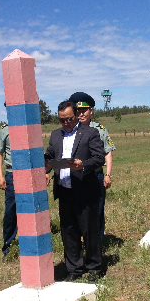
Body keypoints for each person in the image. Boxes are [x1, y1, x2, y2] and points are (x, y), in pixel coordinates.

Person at [44, 99, 105, 282]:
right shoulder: (55, 135)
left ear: (76, 115)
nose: (66, 123)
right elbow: (49, 156)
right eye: (62, 120)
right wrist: (46, 166)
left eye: (69, 119)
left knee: (89, 231)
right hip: (64, 191)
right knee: (68, 231)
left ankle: (94, 267)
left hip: (85, 191)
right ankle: (74, 269)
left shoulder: (90, 133)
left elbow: (99, 158)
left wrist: (82, 165)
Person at [73, 92, 115, 241]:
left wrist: (108, 175)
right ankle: (80, 242)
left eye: (84, 110)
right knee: (78, 211)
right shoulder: (72, 130)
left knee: (97, 210)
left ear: (91, 111)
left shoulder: (99, 129)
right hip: (77, 177)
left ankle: (97, 244)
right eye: (78, 111)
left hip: (96, 175)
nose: (81, 114)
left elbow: (107, 153)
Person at [0, 121, 17, 258]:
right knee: (11, 211)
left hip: (30, 173)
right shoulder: (5, 130)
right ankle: (8, 246)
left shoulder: (28, 123)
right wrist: (0, 175)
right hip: (12, 174)